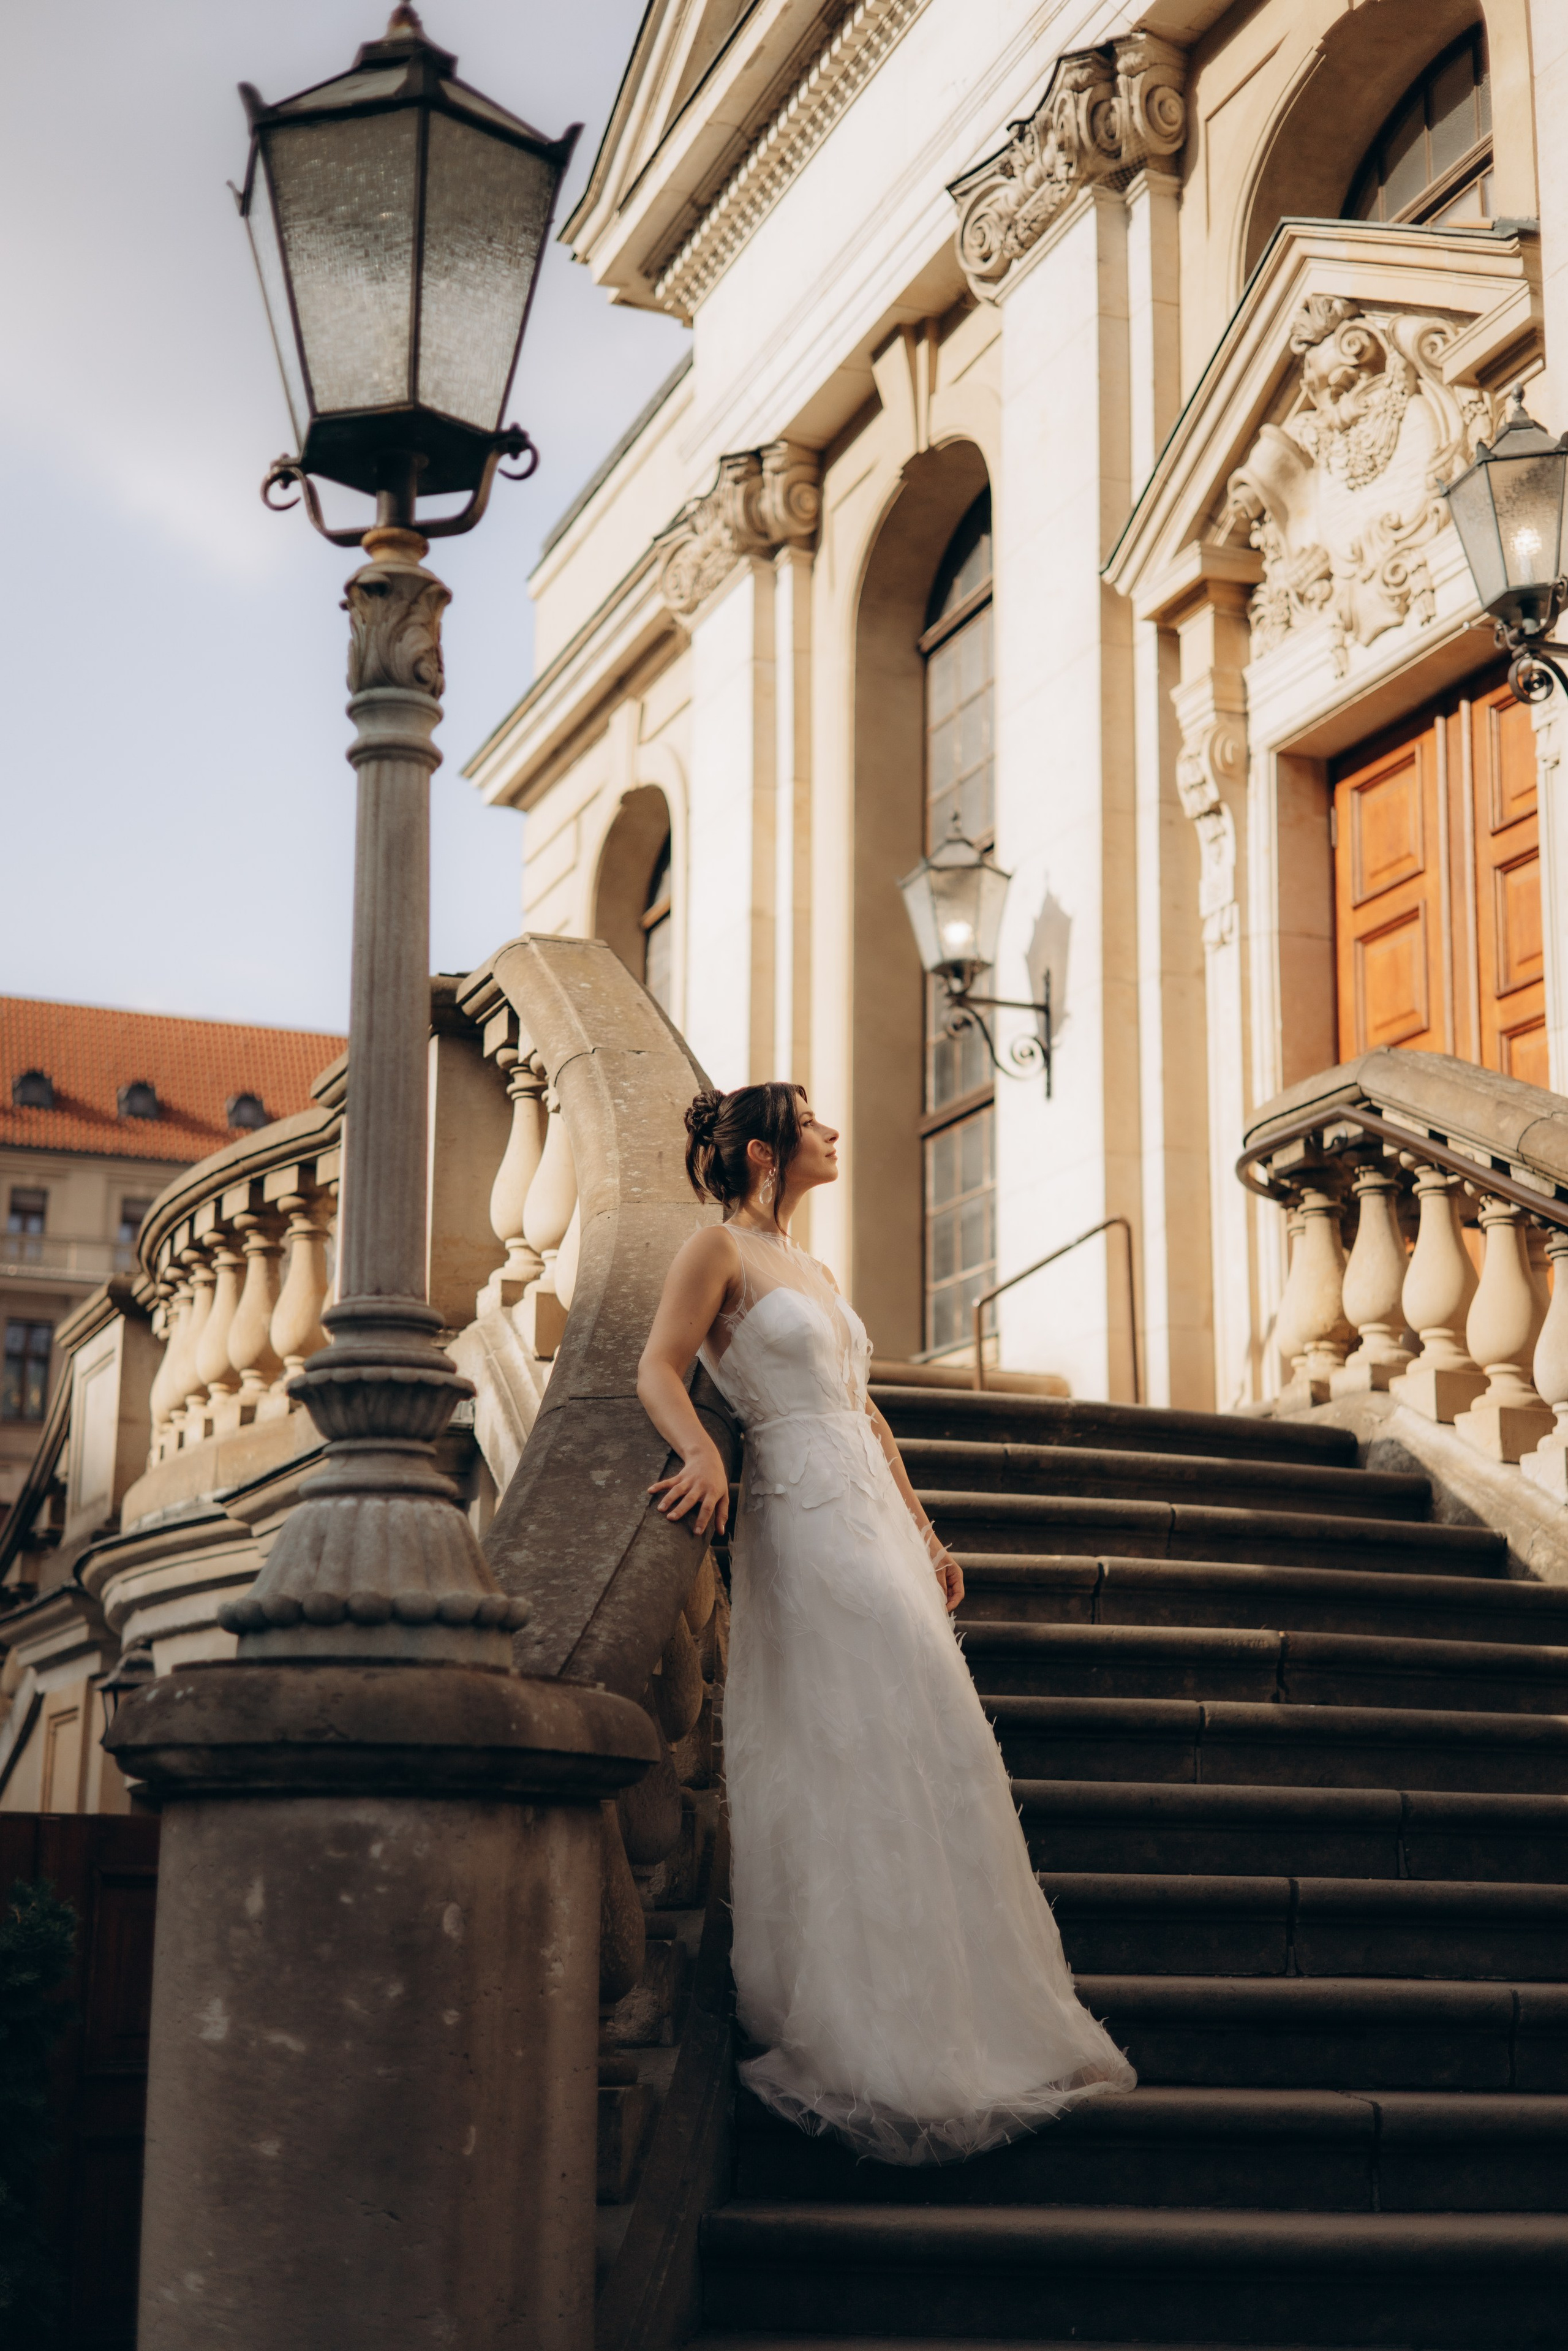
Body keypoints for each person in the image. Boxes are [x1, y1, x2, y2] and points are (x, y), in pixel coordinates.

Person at [635, 1079, 1135, 2166]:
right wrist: (703, 1450)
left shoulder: (810, 1265)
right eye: (814, 1122)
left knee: (923, 1750)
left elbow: (863, 1407)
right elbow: (657, 1368)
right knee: (848, 1750)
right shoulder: (713, 1252)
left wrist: (929, 1530)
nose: (834, 1130)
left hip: (868, 1513)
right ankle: (863, 2034)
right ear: (767, 1151)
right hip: (803, 1523)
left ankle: (951, 2014)